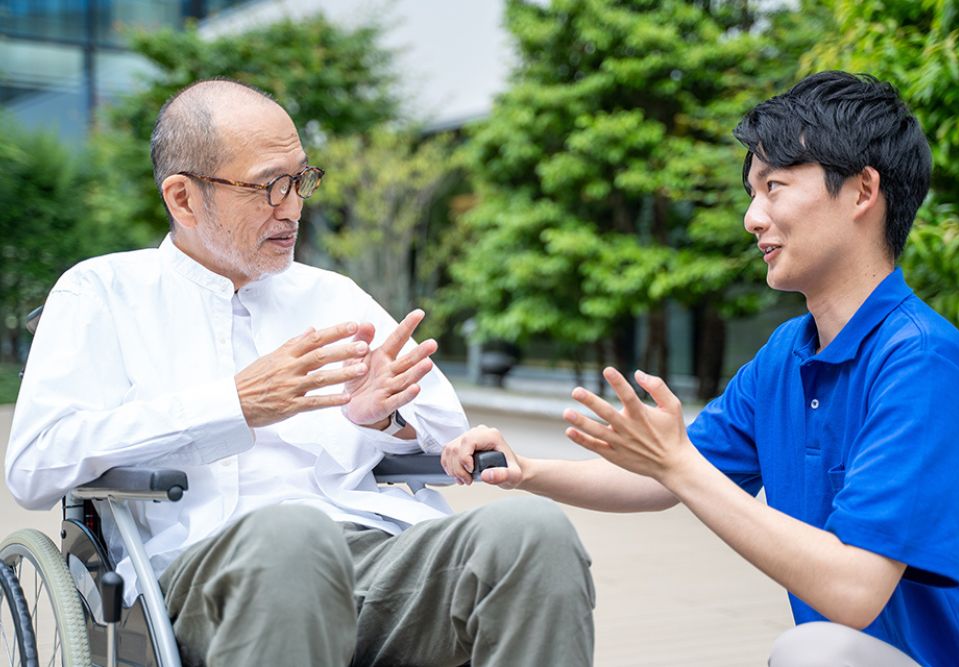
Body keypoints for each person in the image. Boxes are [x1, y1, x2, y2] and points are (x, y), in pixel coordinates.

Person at [5, 78, 594, 667]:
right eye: (267, 187)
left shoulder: (333, 295)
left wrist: (385, 419)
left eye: (300, 180)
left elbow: (447, 440)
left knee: (530, 532)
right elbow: (34, 464)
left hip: (372, 554)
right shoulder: (102, 293)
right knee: (291, 537)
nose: (292, 207)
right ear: (183, 198)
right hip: (205, 573)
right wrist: (233, 405)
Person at [443, 71, 959, 666]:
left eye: (775, 186)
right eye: (751, 194)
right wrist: (525, 469)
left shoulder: (920, 360)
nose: (752, 218)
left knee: (813, 652)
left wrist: (679, 465)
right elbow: (661, 478)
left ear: (863, 191)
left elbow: (855, 589)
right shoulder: (788, 353)